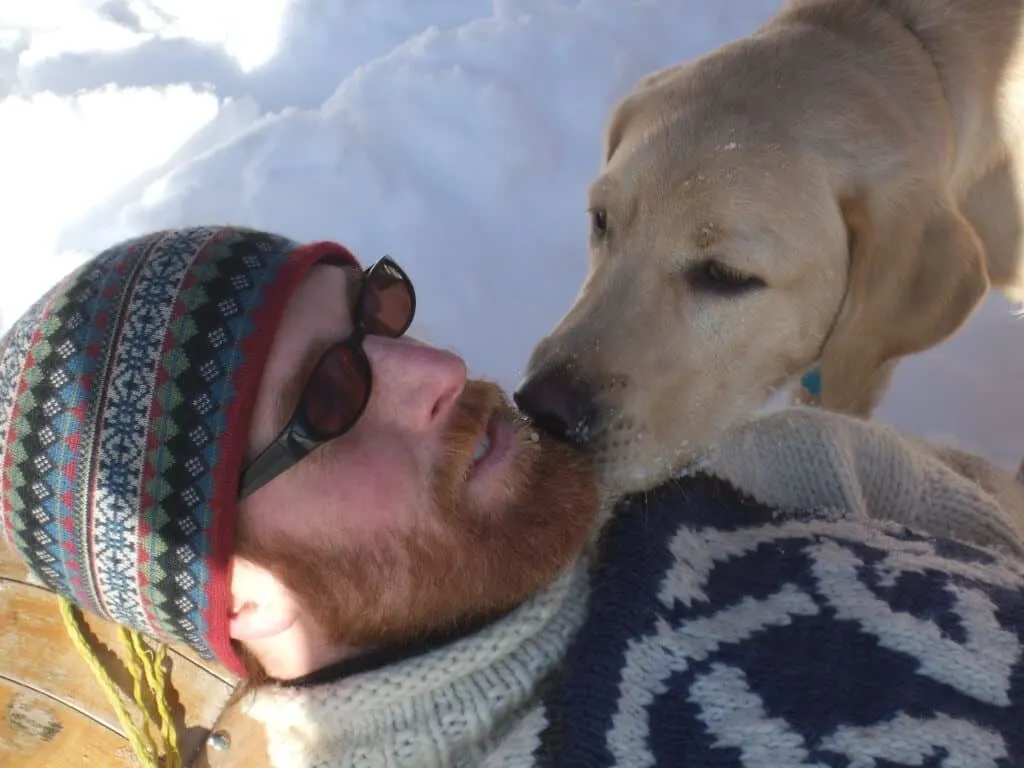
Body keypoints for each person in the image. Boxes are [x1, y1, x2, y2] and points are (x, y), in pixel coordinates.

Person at [2, 225, 1024, 768]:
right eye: (329, 395)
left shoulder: (765, 472)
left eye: (379, 314)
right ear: (236, 600)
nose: (438, 363)